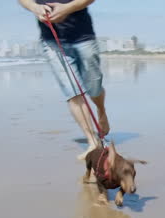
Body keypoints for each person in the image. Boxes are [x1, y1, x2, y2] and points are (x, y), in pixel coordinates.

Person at [18, 0, 110, 159]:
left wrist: (67, 8)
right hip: (51, 41)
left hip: (83, 37)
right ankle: (92, 142)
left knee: (94, 86)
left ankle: (101, 111)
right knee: (72, 92)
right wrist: (35, 7)